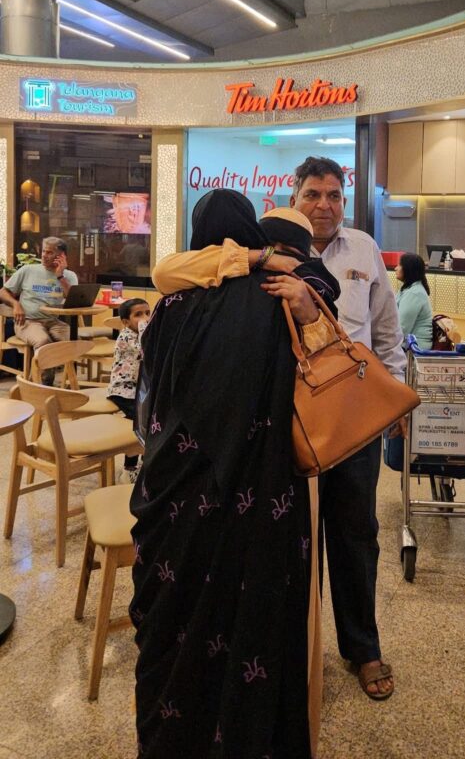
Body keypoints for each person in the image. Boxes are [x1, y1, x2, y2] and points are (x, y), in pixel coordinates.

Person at [130, 190, 331, 759]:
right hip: (259, 502)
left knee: (172, 632)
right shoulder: (281, 297)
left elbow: (146, 406)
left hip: (174, 500)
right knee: (255, 634)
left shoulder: (169, 306)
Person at [290, 156, 406, 702]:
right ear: (295, 198)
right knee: (294, 537)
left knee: (357, 532)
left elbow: (386, 330)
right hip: (294, 415)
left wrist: (394, 397)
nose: (324, 205)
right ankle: (295, 648)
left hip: (356, 414)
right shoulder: (273, 250)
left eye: (334, 195)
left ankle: (362, 648)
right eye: (313, 194)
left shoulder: (363, 249)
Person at [152, 205, 340, 312]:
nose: (277, 255)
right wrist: (261, 258)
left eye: (287, 250)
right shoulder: (235, 269)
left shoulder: (313, 284)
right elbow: (163, 273)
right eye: (268, 247)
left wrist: (310, 316)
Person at [0, 237, 78, 385]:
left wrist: (60, 276)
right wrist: (16, 304)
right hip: (27, 321)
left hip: (54, 321)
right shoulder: (28, 270)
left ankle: (70, 383)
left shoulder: (69, 276)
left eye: (49, 252)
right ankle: (43, 385)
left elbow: (73, 301)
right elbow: (3, 292)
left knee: (73, 342)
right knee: (43, 341)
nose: (44, 255)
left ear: (61, 256)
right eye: (43, 251)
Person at [107, 297, 150, 484]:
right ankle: (129, 469)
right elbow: (146, 349)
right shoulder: (126, 337)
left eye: (148, 313)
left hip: (139, 388)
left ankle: (146, 460)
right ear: (125, 322)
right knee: (140, 422)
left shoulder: (139, 334)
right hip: (122, 390)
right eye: (138, 315)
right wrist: (146, 327)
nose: (145, 318)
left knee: (153, 417)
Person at [394, 252, 433, 349]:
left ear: (408, 269)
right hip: (408, 345)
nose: (395, 268)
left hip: (415, 348)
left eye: (399, 265)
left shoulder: (414, 293)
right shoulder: (409, 288)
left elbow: (402, 328)